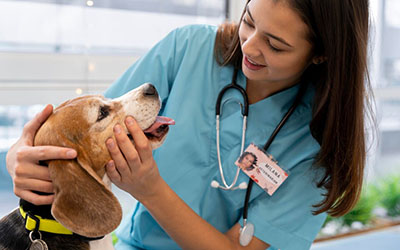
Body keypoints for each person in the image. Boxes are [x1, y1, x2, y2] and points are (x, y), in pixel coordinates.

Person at [6, 0, 373, 249]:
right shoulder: (189, 50)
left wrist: (149, 189)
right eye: (248, 21)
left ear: (322, 53)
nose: (249, 46)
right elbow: (85, 132)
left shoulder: (318, 144)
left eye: (275, 45)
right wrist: (21, 156)